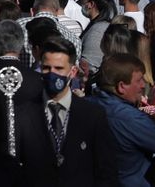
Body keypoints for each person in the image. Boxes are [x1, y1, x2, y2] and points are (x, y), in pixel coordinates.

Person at [13, 35, 118, 187]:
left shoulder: (92, 115)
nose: (52, 73)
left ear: (73, 71)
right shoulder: (23, 114)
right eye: (47, 68)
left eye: (59, 68)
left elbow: (106, 170)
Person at [83, 53, 155, 187]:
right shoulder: (129, 118)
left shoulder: (86, 106)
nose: (143, 85)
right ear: (121, 86)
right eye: (139, 80)